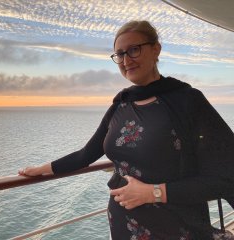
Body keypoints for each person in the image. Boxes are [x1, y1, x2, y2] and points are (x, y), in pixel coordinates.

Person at [18, 20, 234, 239]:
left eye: (134, 50)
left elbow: (227, 173)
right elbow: (87, 154)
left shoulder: (187, 100)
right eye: (119, 54)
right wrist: (41, 169)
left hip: (174, 226)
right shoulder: (120, 105)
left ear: (155, 49)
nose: (126, 60)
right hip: (123, 224)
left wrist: (153, 193)